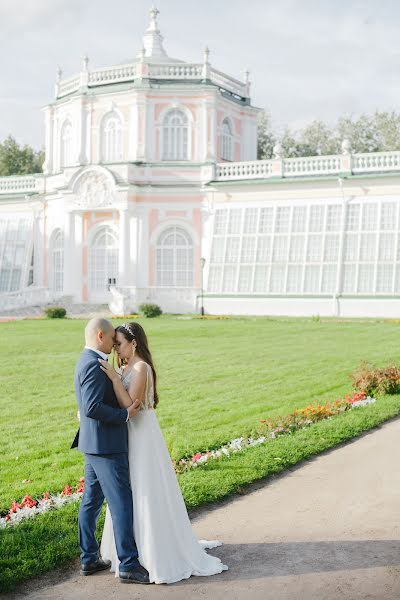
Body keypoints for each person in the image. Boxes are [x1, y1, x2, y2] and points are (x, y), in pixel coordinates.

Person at [99, 321, 228, 584]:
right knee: (127, 489)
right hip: (127, 435)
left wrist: (114, 378)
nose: (116, 350)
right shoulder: (125, 367)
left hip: (142, 433)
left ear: (134, 343)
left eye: (120, 344)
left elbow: (130, 404)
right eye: (114, 345)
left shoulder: (142, 368)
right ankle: (127, 551)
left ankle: (153, 550)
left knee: (146, 487)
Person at [72, 317, 150, 585]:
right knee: (120, 503)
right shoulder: (94, 364)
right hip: (106, 445)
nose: (114, 347)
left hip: (93, 444)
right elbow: (92, 408)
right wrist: (124, 415)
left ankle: (89, 558)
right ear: (100, 336)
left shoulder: (85, 359)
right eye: (112, 340)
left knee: (91, 502)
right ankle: (128, 564)